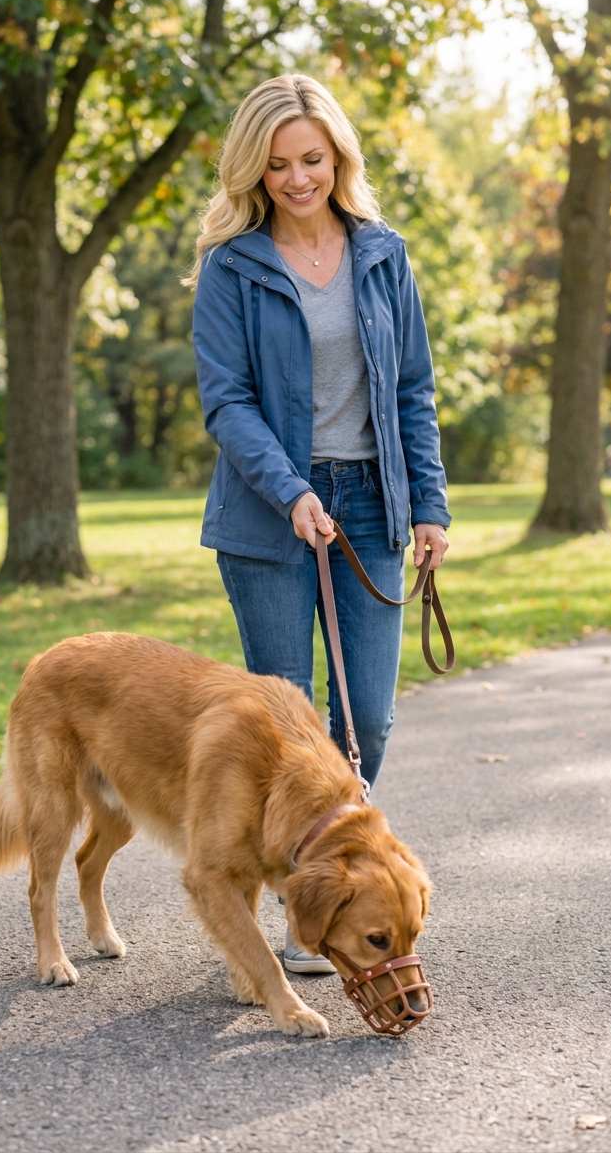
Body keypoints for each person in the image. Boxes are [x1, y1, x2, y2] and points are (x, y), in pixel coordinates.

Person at [189, 74, 450, 974]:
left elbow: (412, 389)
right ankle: (305, 921)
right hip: (271, 511)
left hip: (374, 501)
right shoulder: (233, 264)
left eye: (313, 157)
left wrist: (429, 505)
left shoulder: (383, 254)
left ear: (337, 155)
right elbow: (225, 402)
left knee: (365, 719)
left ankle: (337, 892)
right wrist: (291, 488)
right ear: (253, 168)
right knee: (281, 734)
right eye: (279, 163)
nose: (298, 177)